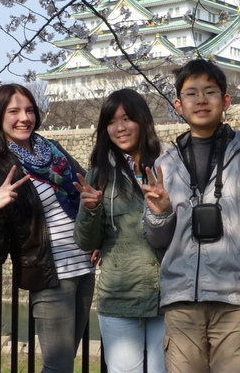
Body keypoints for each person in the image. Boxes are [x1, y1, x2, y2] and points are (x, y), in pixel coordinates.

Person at [143, 59, 240, 373]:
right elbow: (156, 239)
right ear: (178, 105)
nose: (201, 100)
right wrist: (160, 214)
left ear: (226, 100)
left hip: (236, 300)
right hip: (181, 300)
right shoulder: (166, 162)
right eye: (191, 94)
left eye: (210, 92)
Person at [0, 84, 95, 373]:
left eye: (29, 110)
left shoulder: (54, 151)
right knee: (58, 366)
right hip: (49, 276)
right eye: (13, 111)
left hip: (84, 268)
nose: (24, 118)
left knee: (68, 362)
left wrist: (96, 225)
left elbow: (86, 192)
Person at [73, 89, 165, 373]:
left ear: (143, 121)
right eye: (112, 121)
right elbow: (86, 241)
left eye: (127, 118)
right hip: (120, 295)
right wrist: (90, 209)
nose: (120, 127)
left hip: (167, 294)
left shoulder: (169, 165)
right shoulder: (99, 173)